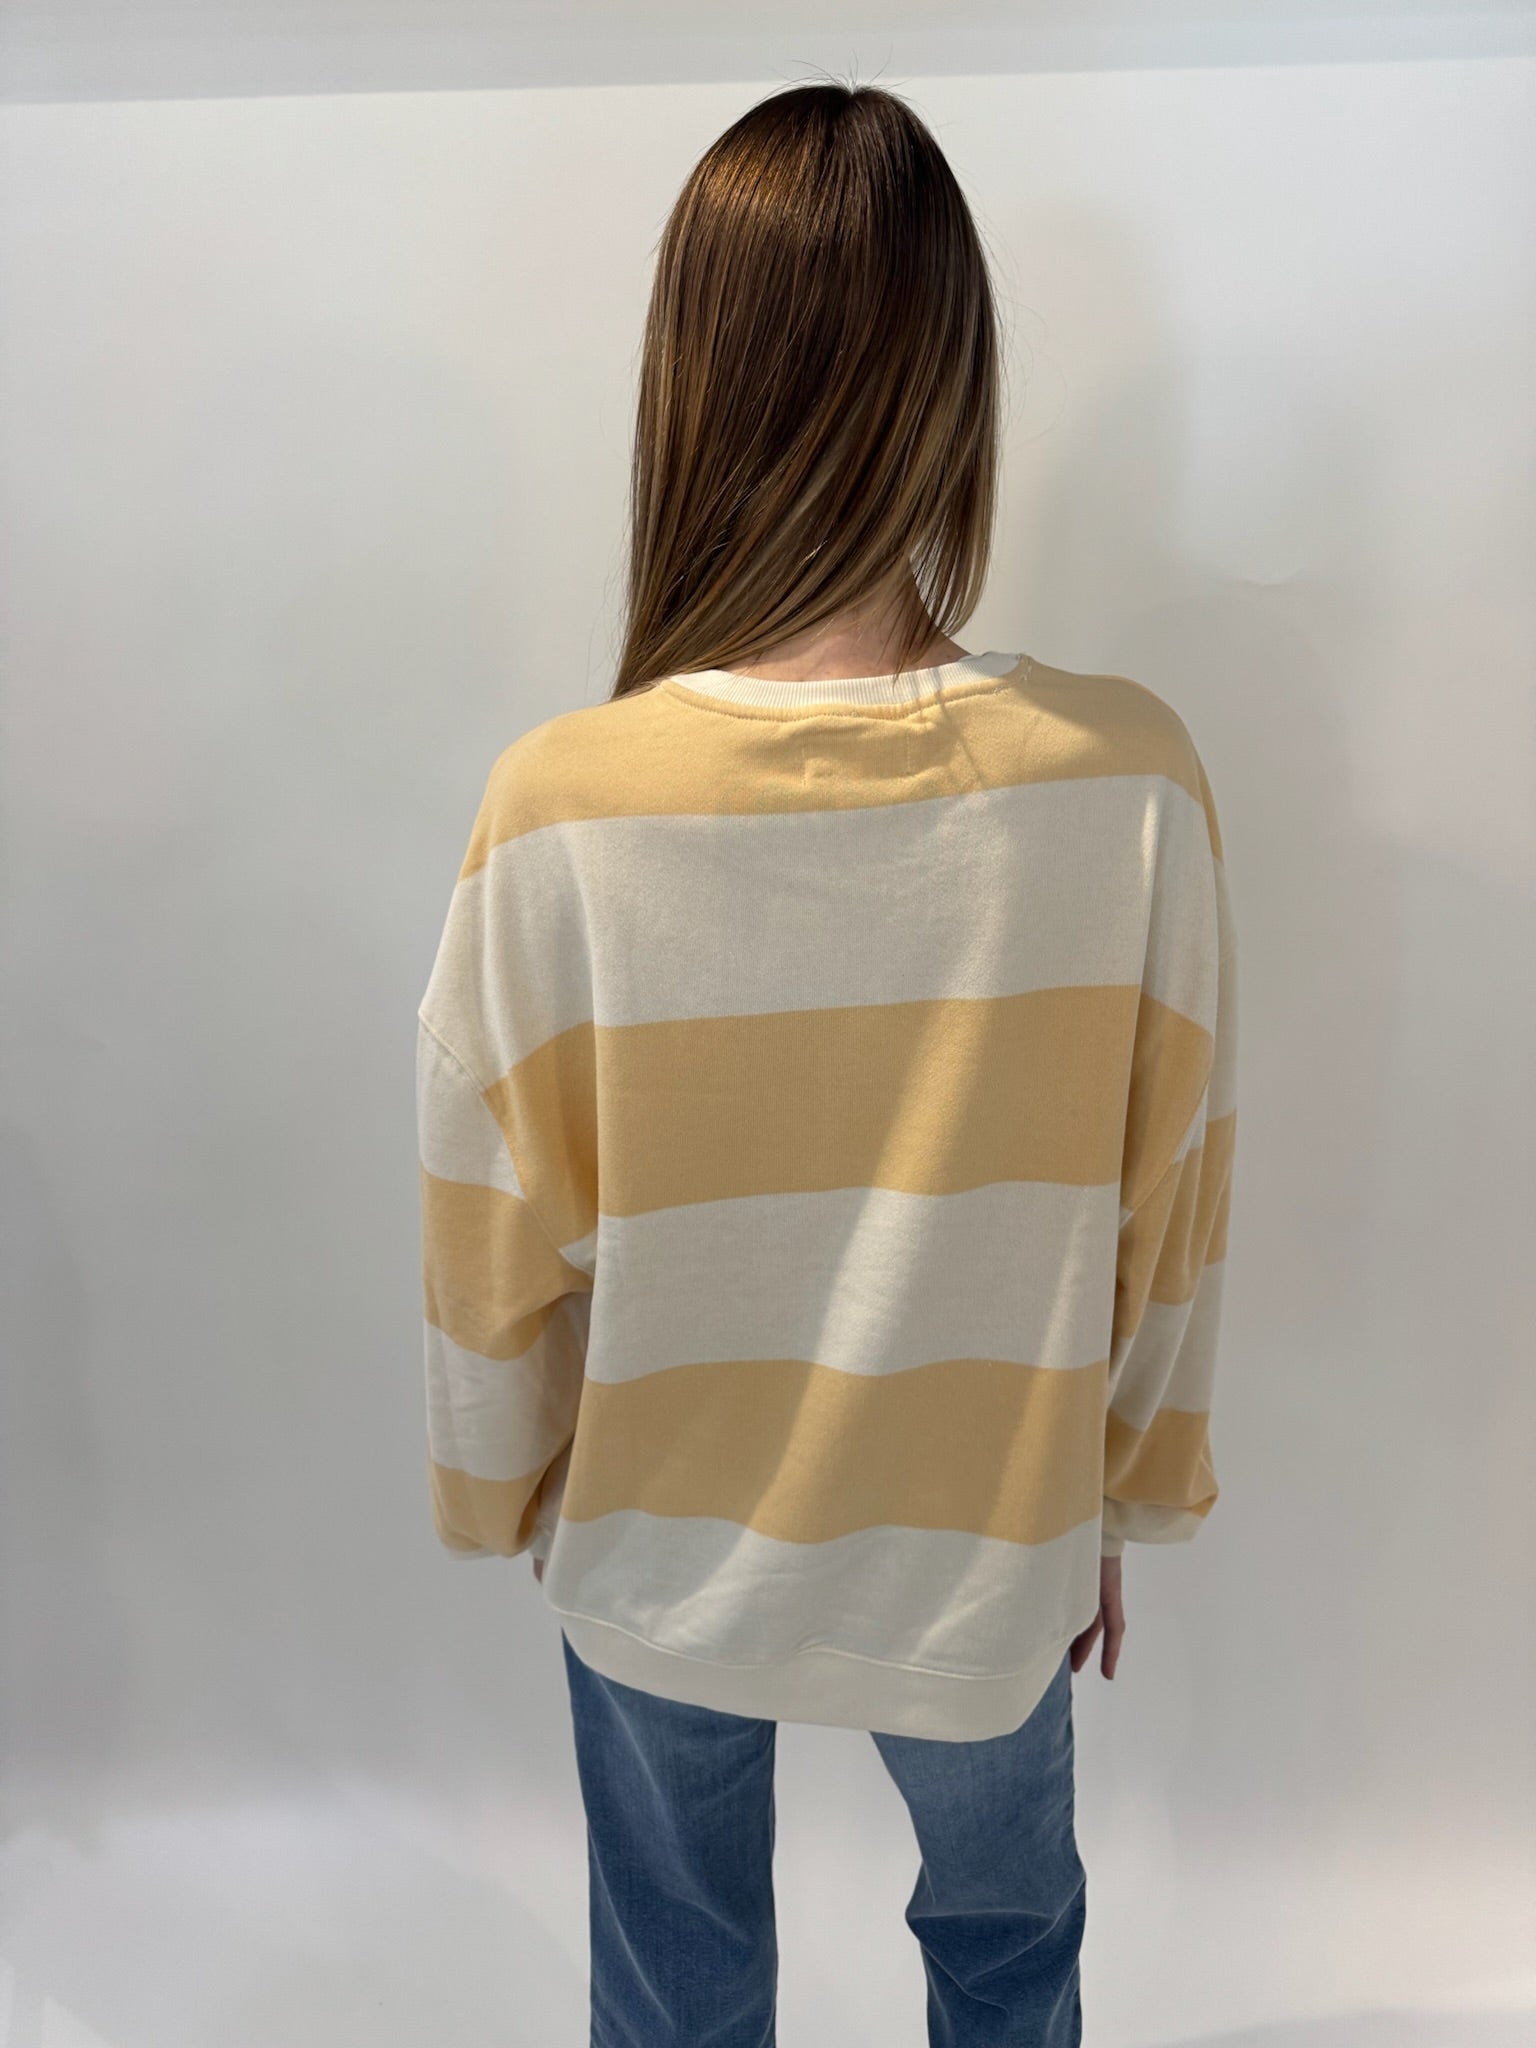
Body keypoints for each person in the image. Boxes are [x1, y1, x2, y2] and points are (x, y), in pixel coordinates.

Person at [416, 77, 1238, 2048]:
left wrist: (507, 1491)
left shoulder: (563, 805)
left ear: (687, 381)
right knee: (1010, 1950)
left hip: (657, 1548)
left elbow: (484, 1226)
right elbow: (1173, 1203)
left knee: (678, 1982)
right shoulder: (1122, 783)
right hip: (985, 1548)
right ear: (956, 381)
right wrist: (1108, 1494)